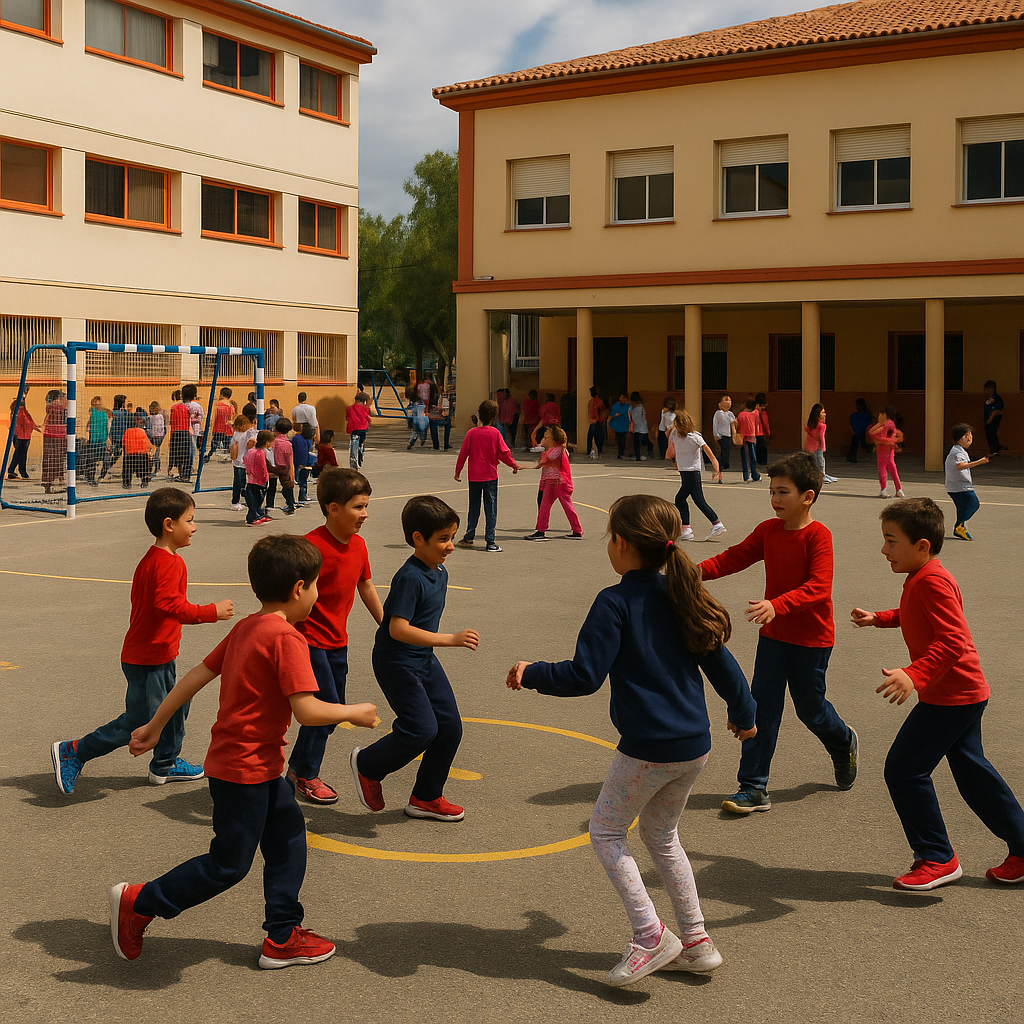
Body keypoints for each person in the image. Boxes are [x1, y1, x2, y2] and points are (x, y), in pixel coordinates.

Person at [506, 493, 757, 987]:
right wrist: (744, 715)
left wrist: (530, 671)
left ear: (621, 544)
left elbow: (583, 675)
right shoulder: (684, 594)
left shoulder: (614, 601)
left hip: (648, 748)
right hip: (694, 747)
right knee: (662, 836)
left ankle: (650, 935)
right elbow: (725, 667)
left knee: (605, 834)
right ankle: (697, 942)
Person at [110, 534, 378, 967]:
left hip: (259, 767)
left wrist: (156, 725)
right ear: (298, 589)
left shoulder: (247, 627)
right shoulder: (288, 638)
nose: (317, 596)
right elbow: (307, 711)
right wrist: (354, 712)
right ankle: (141, 901)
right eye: (316, 587)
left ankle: (283, 935)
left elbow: (197, 674)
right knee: (228, 865)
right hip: (243, 771)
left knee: (289, 838)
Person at [851, 498, 1024, 890]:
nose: (884, 550)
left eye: (891, 541)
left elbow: (953, 640)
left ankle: (937, 857)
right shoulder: (921, 577)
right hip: (957, 692)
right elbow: (913, 613)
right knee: (973, 773)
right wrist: (880, 618)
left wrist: (915, 675)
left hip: (953, 695)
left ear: (922, 545)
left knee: (904, 769)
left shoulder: (932, 580)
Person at [699, 452, 857, 814]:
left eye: (783, 492)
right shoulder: (769, 530)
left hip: (811, 640)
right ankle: (753, 787)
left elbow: (819, 587)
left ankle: (844, 740)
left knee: (812, 712)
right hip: (772, 639)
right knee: (762, 709)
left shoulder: (818, 536)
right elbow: (733, 557)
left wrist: (777, 605)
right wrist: (693, 573)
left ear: (807, 496)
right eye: (772, 491)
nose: (774, 499)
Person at [51, 489, 234, 795]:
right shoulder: (166, 563)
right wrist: (210, 612)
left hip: (157, 653)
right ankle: (75, 750)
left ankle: (166, 763)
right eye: (190, 520)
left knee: (176, 705)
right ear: (169, 525)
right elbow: (169, 606)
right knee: (142, 719)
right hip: (146, 658)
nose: (195, 526)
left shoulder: (161, 559)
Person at [350, 496, 478, 822]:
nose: (450, 546)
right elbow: (397, 629)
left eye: (452, 537)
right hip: (396, 662)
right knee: (421, 729)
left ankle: (426, 797)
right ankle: (367, 765)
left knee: (449, 728)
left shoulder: (439, 571)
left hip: (422, 659)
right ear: (418, 539)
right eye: (443, 539)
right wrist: (450, 639)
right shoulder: (410, 577)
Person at [287, 469, 384, 803]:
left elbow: (365, 585)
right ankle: (306, 775)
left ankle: (295, 771)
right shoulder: (310, 547)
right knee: (328, 707)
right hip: (308, 640)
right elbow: (289, 595)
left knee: (330, 712)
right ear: (333, 509)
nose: (365, 514)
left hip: (337, 642)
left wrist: (385, 626)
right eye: (358, 507)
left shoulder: (358, 546)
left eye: (366, 506)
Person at [454, 400, 520, 553]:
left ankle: (469, 536)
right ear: (494, 417)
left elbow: (463, 454)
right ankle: (490, 541)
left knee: (474, 507)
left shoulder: (471, 433)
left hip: (474, 477)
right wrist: (514, 465)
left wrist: (458, 471)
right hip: (490, 477)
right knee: (491, 509)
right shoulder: (495, 433)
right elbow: (503, 454)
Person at [667, 408, 726, 542]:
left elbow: (710, 454)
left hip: (692, 472)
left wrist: (717, 470)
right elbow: (670, 451)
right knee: (697, 500)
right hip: (685, 471)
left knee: (680, 498)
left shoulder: (695, 437)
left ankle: (712, 525)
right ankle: (689, 529)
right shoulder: (675, 434)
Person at [524, 425, 583, 540]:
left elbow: (545, 460)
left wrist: (541, 448)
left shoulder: (557, 450)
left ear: (554, 440)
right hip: (551, 482)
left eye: (546, 438)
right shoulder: (553, 450)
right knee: (545, 506)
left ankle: (577, 530)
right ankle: (541, 530)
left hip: (559, 482)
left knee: (566, 506)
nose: (544, 440)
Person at [944, 423, 988, 541]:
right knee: (974, 504)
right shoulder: (957, 452)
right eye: (968, 436)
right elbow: (960, 466)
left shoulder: (958, 450)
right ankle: (959, 526)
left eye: (970, 435)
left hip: (955, 486)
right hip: (961, 486)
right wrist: (980, 462)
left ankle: (962, 529)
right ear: (962, 437)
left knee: (962, 508)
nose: (970, 438)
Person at [869, 406, 905, 499]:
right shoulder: (891, 424)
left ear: (885, 415)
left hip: (883, 449)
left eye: (881, 414)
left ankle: (883, 489)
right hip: (889, 450)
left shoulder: (885, 424)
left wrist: (879, 439)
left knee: (882, 469)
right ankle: (899, 489)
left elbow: (872, 433)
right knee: (893, 469)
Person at [8, 387, 41, 481]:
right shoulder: (20, 412)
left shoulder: (18, 412)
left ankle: (16, 471)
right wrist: (38, 428)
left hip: (20, 435)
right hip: (21, 436)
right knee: (20, 454)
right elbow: (28, 423)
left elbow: (29, 422)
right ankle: (20, 471)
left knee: (19, 454)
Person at [244, 430, 274, 526]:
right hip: (259, 480)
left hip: (251, 479)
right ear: (267, 442)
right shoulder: (261, 453)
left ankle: (259, 515)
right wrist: (266, 477)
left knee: (254, 498)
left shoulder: (251, 451)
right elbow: (263, 467)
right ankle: (253, 517)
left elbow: (246, 461)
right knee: (257, 500)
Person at [167, 386, 197, 483]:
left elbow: (172, 423)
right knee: (186, 455)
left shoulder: (174, 408)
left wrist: (171, 437)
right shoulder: (187, 408)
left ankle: (180, 473)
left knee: (177, 454)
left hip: (176, 433)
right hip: (185, 433)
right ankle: (186, 475)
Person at [804, 403, 838, 484]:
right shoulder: (822, 426)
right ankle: (821, 476)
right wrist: (823, 446)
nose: (825, 414)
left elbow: (808, 430)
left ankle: (821, 475)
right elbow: (821, 437)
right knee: (820, 461)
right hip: (817, 446)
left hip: (810, 446)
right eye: (822, 412)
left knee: (815, 461)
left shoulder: (811, 425)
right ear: (818, 414)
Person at [79, 395, 109, 486]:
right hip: (101, 440)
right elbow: (106, 427)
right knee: (104, 460)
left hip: (95, 440)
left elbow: (88, 426)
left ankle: (91, 478)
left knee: (92, 460)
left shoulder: (93, 412)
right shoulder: (104, 413)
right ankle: (101, 476)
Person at [41, 389, 67, 494]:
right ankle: (57, 481)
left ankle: (48, 482)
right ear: (59, 398)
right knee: (58, 459)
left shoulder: (49, 407)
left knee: (48, 459)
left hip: (48, 435)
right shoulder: (61, 408)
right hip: (59, 436)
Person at [229, 413, 256, 511]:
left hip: (240, 462)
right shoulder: (244, 434)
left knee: (241, 482)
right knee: (239, 483)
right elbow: (250, 444)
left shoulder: (238, 434)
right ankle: (235, 502)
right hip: (241, 462)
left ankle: (240, 500)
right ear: (243, 425)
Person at [269, 419, 297, 516]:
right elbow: (290, 460)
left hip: (272, 466)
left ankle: (269, 505)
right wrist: (291, 472)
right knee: (287, 487)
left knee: (271, 487)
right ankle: (290, 504)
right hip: (284, 468)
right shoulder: (288, 444)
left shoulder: (272, 442)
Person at [735, 398, 761, 483]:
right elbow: (757, 424)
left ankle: (745, 475)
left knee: (744, 457)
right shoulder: (755, 414)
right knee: (752, 457)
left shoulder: (741, 414)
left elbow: (738, 425)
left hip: (742, 437)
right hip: (751, 436)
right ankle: (755, 474)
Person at [121, 419, 153, 489]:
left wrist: (125, 453)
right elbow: (147, 444)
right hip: (141, 454)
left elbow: (123, 444)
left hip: (130, 455)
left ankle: (127, 483)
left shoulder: (127, 432)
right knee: (145, 467)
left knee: (127, 469)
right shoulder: (142, 431)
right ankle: (144, 481)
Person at [712, 395, 737, 478]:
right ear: (720, 404)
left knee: (726, 451)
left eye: (730, 400)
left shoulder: (730, 414)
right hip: (721, 436)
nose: (729, 402)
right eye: (726, 400)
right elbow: (715, 424)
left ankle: (723, 465)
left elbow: (734, 424)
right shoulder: (718, 413)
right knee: (723, 451)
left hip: (728, 435)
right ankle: (721, 467)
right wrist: (716, 434)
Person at [346, 391, 372, 469]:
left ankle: (354, 460)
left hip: (354, 429)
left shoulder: (350, 408)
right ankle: (360, 450)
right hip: (363, 429)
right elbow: (368, 417)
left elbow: (347, 417)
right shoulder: (366, 408)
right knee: (360, 443)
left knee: (354, 445)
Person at [292, 423, 316, 505]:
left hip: (298, 462)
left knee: (300, 480)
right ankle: (302, 496)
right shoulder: (307, 441)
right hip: (307, 463)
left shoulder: (297, 438)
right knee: (303, 481)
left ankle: (302, 496)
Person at [982, 380, 1006, 456]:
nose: (986, 391)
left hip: (994, 419)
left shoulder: (997, 399)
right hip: (987, 417)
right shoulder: (987, 399)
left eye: (987, 389)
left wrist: (992, 416)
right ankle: (993, 449)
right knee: (988, 433)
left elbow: (1000, 410)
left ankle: (995, 449)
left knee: (992, 432)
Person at [210, 387, 235, 459]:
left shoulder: (218, 405)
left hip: (217, 429)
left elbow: (213, 417)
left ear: (221, 394)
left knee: (215, 449)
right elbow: (231, 418)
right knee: (227, 449)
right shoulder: (231, 406)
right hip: (228, 430)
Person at [847, 398, 873, 464]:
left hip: (858, 433)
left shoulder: (855, 415)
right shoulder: (867, 415)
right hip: (863, 432)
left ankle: (852, 457)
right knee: (859, 444)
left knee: (854, 445)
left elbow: (852, 424)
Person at [628, 392, 652, 461]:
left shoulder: (636, 409)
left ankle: (638, 456)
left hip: (638, 428)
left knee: (637, 443)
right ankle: (648, 450)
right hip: (642, 427)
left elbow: (635, 419)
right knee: (644, 441)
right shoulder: (641, 408)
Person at [585, 387, 607, 459]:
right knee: (599, 437)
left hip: (592, 421)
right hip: (598, 421)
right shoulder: (599, 401)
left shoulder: (590, 402)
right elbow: (603, 410)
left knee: (590, 437)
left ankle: (589, 450)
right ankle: (599, 450)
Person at [430, 387, 454, 451]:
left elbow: (445, 408)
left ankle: (436, 445)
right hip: (443, 417)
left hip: (441, 417)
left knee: (433, 423)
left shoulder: (442, 397)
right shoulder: (444, 397)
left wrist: (438, 408)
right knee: (447, 424)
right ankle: (445, 444)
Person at [608, 394, 631, 460]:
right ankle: (619, 452)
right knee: (618, 439)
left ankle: (622, 452)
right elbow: (612, 414)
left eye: (624, 398)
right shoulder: (616, 405)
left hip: (624, 425)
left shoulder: (628, 407)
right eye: (621, 397)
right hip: (617, 425)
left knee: (623, 439)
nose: (622, 399)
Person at [147, 401, 166, 477]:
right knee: (157, 450)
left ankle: (155, 468)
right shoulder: (161, 416)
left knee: (153, 452)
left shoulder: (150, 418)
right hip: (160, 436)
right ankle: (157, 466)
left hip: (153, 436)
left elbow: (149, 427)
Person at [657, 396, 676, 462]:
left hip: (671, 430)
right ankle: (662, 455)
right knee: (662, 442)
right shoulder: (664, 411)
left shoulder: (675, 413)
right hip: (663, 429)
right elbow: (663, 421)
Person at [755, 393, 771, 467]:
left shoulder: (754, 411)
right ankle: (763, 461)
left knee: (756, 447)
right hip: (761, 432)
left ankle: (757, 460)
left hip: (753, 431)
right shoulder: (763, 413)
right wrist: (768, 432)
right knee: (763, 447)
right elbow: (765, 423)